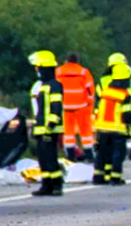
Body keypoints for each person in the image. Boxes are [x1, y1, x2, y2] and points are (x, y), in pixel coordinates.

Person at [28, 50, 65, 196]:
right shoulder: (43, 86)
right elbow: (39, 109)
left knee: (51, 158)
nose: (36, 70)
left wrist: (52, 122)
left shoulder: (55, 85)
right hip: (41, 128)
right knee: (43, 159)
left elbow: (56, 106)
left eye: (38, 67)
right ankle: (46, 185)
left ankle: (56, 185)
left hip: (50, 129)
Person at [92, 63, 131, 185]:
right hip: (117, 129)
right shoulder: (124, 95)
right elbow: (127, 115)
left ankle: (98, 177)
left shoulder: (106, 92)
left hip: (102, 127)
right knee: (118, 154)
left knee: (102, 153)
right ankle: (115, 177)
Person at [56, 53, 95, 161]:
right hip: (81, 106)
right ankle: (89, 155)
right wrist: (89, 105)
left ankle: (70, 155)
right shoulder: (83, 72)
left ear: (66, 61)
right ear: (77, 61)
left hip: (65, 106)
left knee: (68, 132)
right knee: (85, 131)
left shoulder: (58, 71)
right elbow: (90, 90)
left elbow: (54, 87)